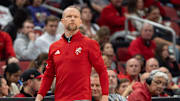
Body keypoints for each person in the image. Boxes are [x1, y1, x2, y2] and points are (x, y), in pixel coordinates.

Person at [35, 6, 109, 101]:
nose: (73, 19)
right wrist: (39, 96)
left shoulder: (90, 44)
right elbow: (48, 74)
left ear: (80, 22)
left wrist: (105, 95)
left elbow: (102, 70)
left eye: (76, 17)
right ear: (62, 21)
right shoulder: (54, 47)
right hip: (60, 98)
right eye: (69, 16)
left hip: (82, 98)